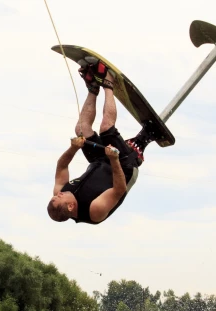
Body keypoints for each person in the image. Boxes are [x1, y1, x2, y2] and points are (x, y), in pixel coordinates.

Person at [47, 59, 160, 224]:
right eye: (58, 198)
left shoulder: (61, 191)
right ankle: (108, 83)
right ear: (71, 207)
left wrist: (73, 148)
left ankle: (93, 87)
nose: (58, 194)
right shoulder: (94, 211)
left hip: (99, 160)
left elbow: (61, 166)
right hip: (123, 168)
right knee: (106, 129)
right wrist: (114, 160)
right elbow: (119, 190)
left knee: (80, 130)